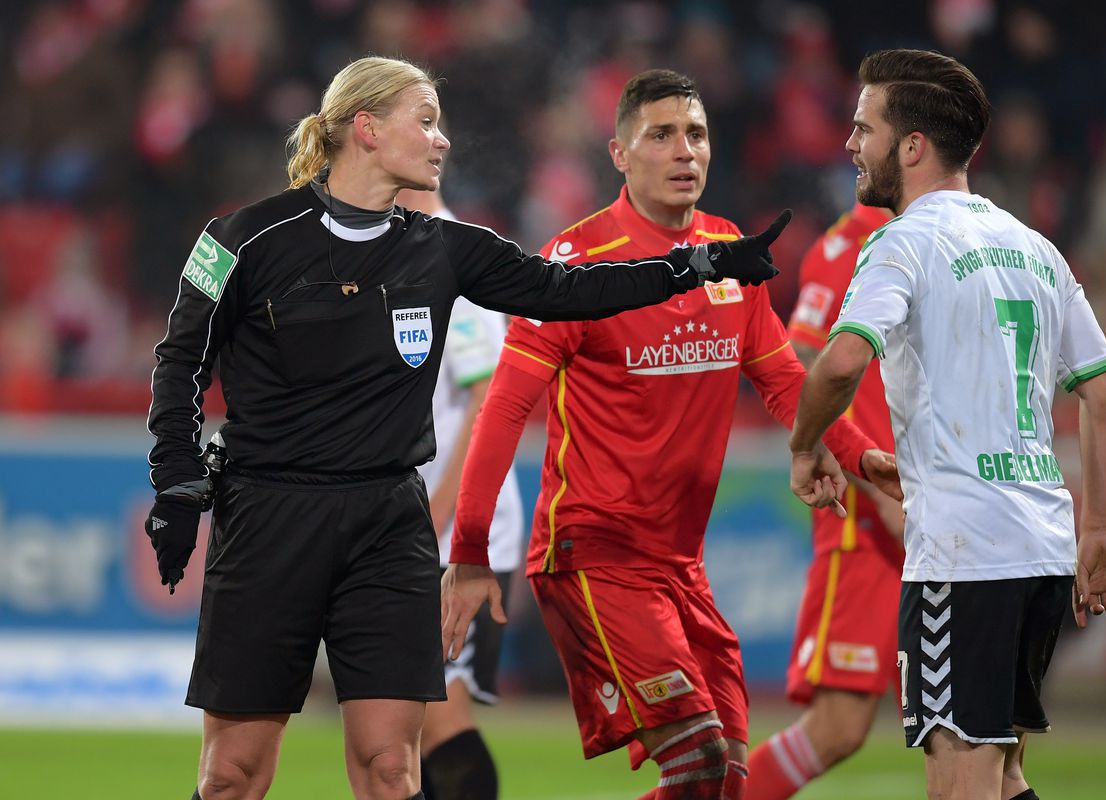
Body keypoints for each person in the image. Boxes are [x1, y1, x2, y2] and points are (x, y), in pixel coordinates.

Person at [142, 55, 790, 800]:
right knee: (232, 775)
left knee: (392, 768)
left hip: (389, 526)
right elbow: (180, 362)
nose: (442, 139)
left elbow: (570, 290)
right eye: (425, 121)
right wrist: (178, 481)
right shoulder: (239, 239)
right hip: (268, 519)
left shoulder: (445, 247)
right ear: (367, 129)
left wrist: (697, 264)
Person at [439, 69, 900, 800]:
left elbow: (785, 381)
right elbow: (502, 408)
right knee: (699, 759)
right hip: (591, 553)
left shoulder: (728, 254)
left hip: (680, 564)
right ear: (620, 154)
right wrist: (468, 551)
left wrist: (861, 457)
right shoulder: (574, 266)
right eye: (661, 135)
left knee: (728, 780)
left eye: (696, 134)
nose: (685, 150)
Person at [788, 49, 1106, 800]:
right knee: (1004, 777)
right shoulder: (1035, 248)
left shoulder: (901, 242)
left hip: (963, 558)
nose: (850, 143)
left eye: (865, 128)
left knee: (959, 784)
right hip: (1042, 550)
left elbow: (840, 364)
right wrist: (1099, 528)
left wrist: (807, 445)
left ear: (912, 146)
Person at [745, 201, 902, 799]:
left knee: (980, 727)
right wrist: (870, 486)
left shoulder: (943, 232)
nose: (856, 155)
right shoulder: (847, 246)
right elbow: (803, 360)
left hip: (939, 508)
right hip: (869, 518)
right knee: (839, 726)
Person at [395, 185, 523, 800]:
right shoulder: (405, 251)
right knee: (401, 728)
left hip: (457, 535)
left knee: (438, 721)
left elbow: (488, 396)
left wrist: (436, 516)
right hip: (427, 527)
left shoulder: (448, 256)